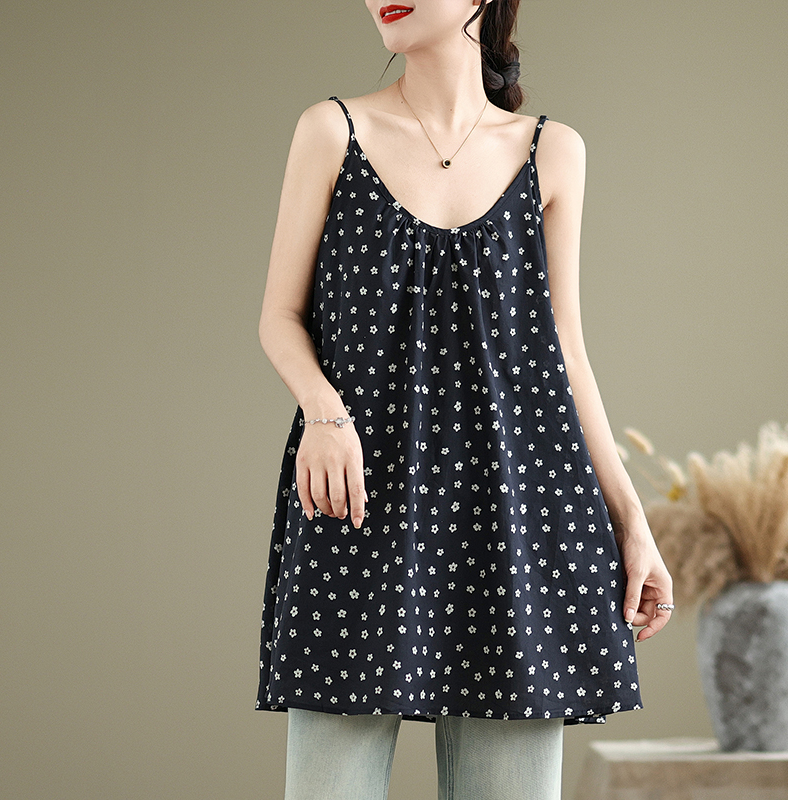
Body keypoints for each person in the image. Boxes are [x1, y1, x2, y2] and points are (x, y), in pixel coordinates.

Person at [256, 1, 674, 798]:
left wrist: (631, 520)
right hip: (356, 497)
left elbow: (566, 352)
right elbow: (279, 315)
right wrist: (323, 411)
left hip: (520, 511)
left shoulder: (554, 152)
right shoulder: (332, 131)